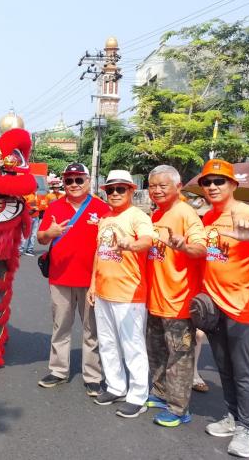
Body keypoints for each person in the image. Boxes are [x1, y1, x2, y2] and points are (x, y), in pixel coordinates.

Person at [199, 159, 249, 458]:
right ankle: (233, 416)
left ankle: (248, 429)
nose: (213, 187)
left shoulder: (248, 213)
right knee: (224, 366)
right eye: (208, 182)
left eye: (219, 181)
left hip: (245, 305)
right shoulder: (207, 218)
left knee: (244, 369)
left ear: (233, 185)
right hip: (215, 306)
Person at [36, 163, 109, 394]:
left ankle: (93, 375)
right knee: (60, 327)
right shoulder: (54, 207)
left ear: (88, 181)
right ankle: (58, 371)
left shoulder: (102, 208)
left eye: (79, 180)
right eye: (69, 180)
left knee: (91, 330)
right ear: (64, 183)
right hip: (60, 278)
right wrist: (51, 233)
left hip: (91, 281)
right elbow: (40, 238)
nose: (74, 185)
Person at [87, 169, 154, 418]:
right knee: (107, 343)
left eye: (120, 189)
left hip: (129, 293)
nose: (115, 193)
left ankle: (138, 396)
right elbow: (99, 252)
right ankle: (115, 386)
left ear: (131, 190)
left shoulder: (138, 216)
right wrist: (93, 284)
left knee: (132, 346)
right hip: (104, 291)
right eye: (110, 189)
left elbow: (147, 240)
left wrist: (130, 245)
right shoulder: (105, 218)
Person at [144, 165, 207, 427]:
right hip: (156, 299)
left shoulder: (185, 213)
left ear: (178, 186)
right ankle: (160, 393)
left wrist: (184, 246)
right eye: (153, 186)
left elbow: (201, 248)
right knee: (157, 351)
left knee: (179, 356)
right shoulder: (158, 213)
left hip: (179, 301)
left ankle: (179, 408)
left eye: (163, 185)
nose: (157, 190)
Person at [20, 188, 49, 256]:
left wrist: (38, 208)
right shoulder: (26, 196)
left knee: (33, 234)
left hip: (36, 217)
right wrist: (29, 210)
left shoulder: (39, 196)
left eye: (36, 188)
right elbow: (22, 206)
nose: (34, 189)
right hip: (28, 217)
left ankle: (29, 250)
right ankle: (20, 250)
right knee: (25, 234)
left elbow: (43, 205)